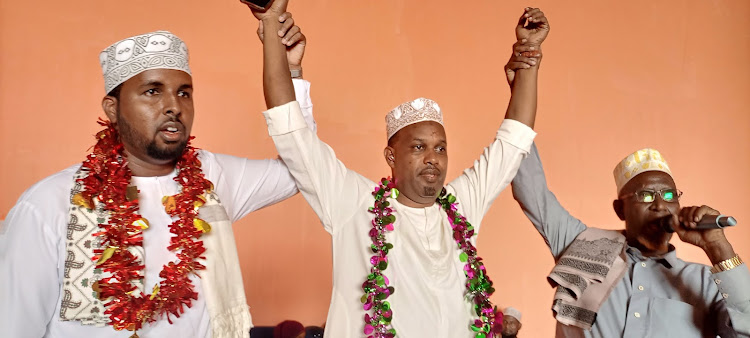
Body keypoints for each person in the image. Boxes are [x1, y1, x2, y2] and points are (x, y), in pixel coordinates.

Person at [0, 14, 313, 338]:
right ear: (112, 109)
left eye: (184, 93)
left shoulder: (213, 177)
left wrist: (288, 72)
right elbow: (13, 326)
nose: (173, 106)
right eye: (152, 91)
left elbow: (302, 169)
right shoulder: (48, 204)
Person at [256, 1, 549, 336]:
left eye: (440, 148)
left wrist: (530, 53)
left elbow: (512, 143)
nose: (433, 158)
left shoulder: (463, 205)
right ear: (391, 156)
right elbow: (291, 132)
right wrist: (272, 34)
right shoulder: (353, 202)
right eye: (418, 147)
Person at [507, 49, 750, 337]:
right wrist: (523, 81)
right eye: (647, 196)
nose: (661, 205)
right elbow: (529, 186)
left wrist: (717, 245)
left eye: (670, 196)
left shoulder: (703, 281)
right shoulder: (581, 244)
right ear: (620, 209)